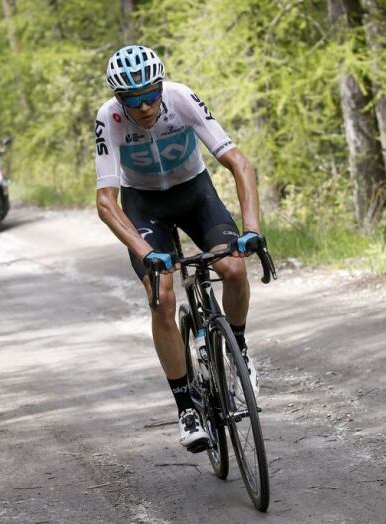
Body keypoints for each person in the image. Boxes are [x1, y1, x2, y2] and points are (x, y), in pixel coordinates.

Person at [94, 45, 264, 452]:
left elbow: (239, 163)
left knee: (235, 270)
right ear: (120, 100)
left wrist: (252, 228)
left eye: (151, 93)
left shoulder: (180, 98)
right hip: (145, 205)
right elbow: (106, 201)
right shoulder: (110, 119)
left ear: (160, 86)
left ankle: (237, 348)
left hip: (195, 195)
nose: (146, 105)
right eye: (133, 99)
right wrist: (145, 250)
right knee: (162, 295)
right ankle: (186, 404)